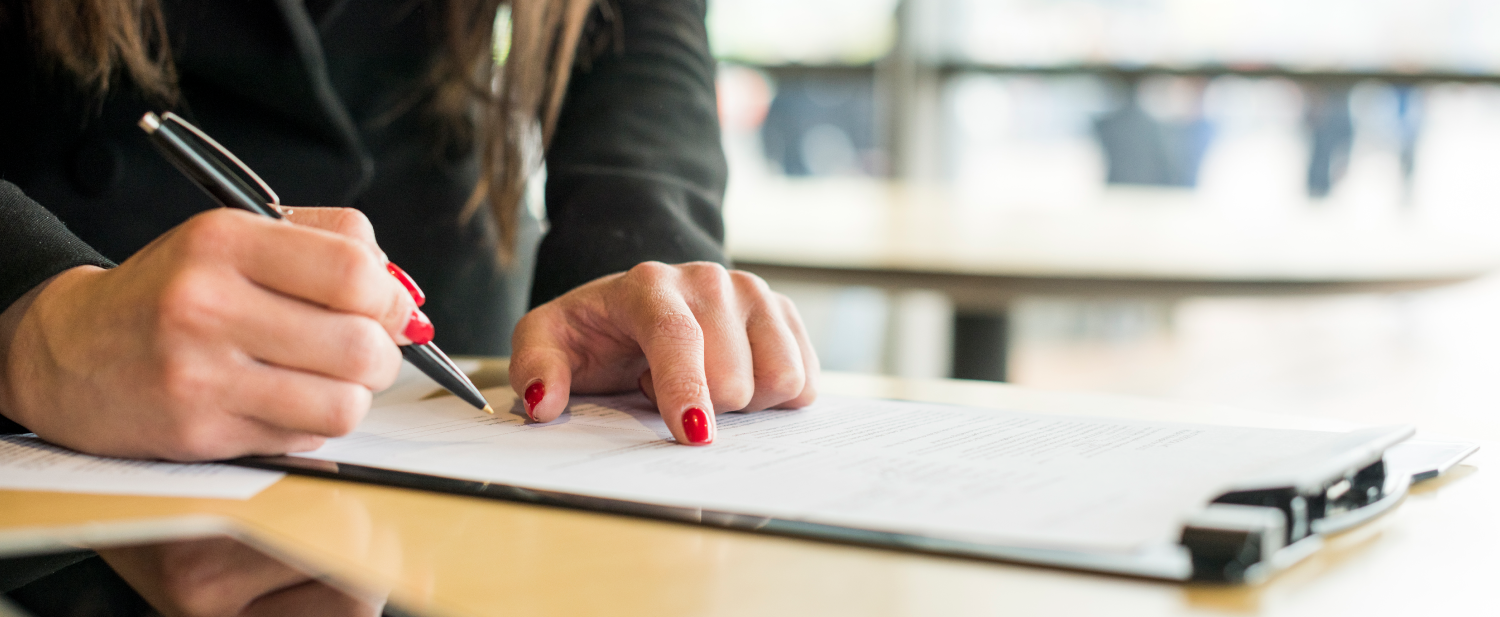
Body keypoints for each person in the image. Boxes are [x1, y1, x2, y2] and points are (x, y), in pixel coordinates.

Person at [0, 0, 820, 459]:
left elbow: (633, 34)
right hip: (84, 350)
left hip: (458, 341)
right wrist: (30, 318)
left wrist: (640, 269)